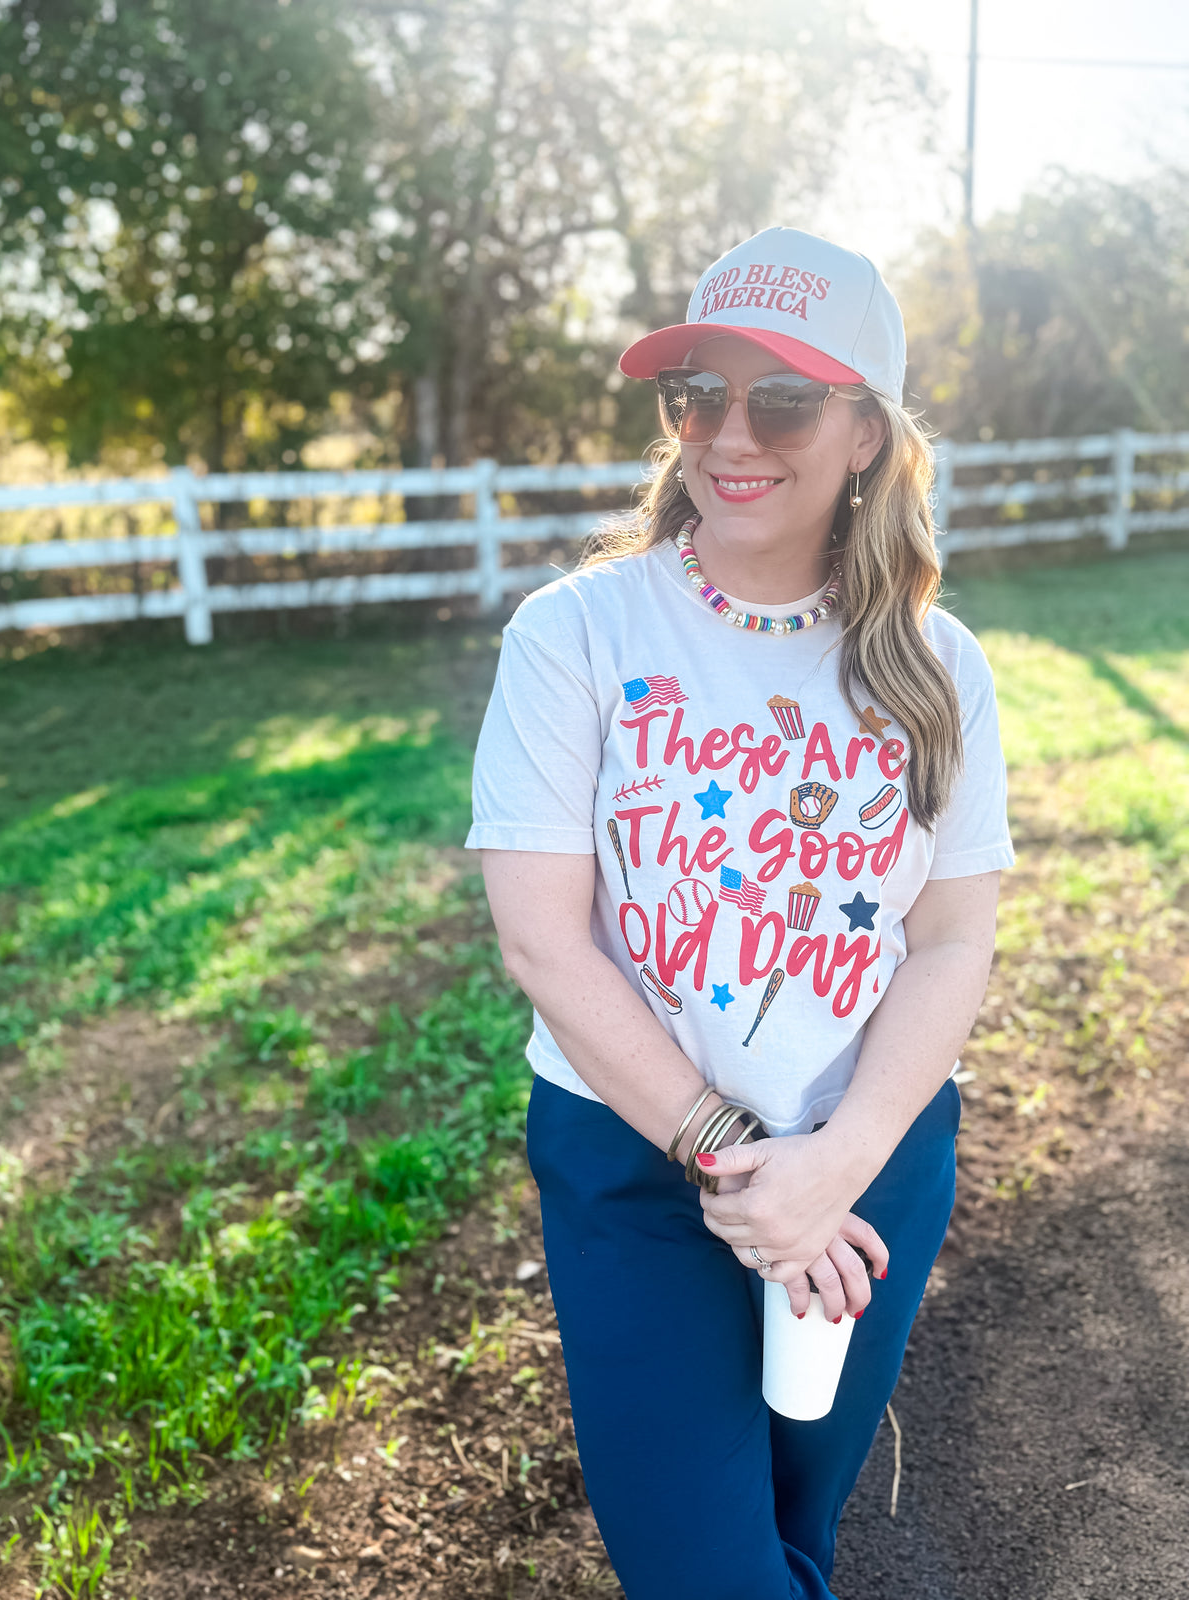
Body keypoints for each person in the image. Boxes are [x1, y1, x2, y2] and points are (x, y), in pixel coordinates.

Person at [464, 225, 1014, 1599]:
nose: (731, 434)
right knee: (708, 1573)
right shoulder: (576, 633)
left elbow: (949, 938)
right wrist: (735, 1157)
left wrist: (837, 1164)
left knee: (788, 1537)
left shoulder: (940, 667)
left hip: (870, 1164)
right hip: (636, 1171)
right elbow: (542, 937)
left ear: (869, 435)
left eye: (780, 399)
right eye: (699, 393)